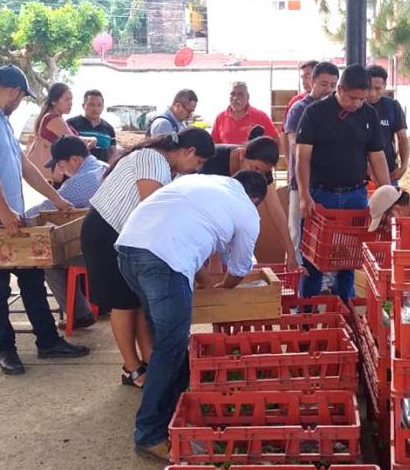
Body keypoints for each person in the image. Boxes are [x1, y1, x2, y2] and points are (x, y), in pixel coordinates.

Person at [116, 171, 268, 462]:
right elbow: (239, 268)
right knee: (170, 347)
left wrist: (207, 283)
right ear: (256, 199)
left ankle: (178, 404)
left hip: (128, 249)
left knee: (165, 337)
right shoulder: (247, 210)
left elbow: (185, 233)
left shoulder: (201, 182)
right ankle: (150, 435)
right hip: (163, 260)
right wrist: (224, 290)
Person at [0, 65, 89, 375]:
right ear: (14, 91)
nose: (18, 104)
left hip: (10, 213)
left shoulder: (0, 120)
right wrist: (2, 210)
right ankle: (6, 350)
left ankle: (48, 341)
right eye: (21, 98)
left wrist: (58, 199)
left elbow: (25, 166)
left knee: (31, 275)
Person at [81, 128, 215, 388]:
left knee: (141, 302)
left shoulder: (169, 169)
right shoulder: (153, 159)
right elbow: (153, 212)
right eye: (198, 162)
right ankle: (131, 368)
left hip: (129, 237)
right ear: (188, 151)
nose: (196, 169)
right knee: (123, 304)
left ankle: (150, 360)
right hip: (106, 232)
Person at [296, 64, 391, 302]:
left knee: (349, 259)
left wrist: (388, 195)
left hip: (355, 195)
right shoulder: (315, 113)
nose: (356, 104)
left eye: (361, 99)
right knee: (312, 259)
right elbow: (302, 156)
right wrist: (304, 195)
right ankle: (306, 311)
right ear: (339, 89)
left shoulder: (369, 114)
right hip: (320, 194)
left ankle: (345, 310)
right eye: (351, 98)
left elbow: (377, 156)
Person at [25, 136, 108, 330]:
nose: (61, 172)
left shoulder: (82, 180)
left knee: (50, 261)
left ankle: (80, 315)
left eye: (61, 166)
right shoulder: (102, 167)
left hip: (103, 250)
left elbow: (47, 208)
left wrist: (19, 218)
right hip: (112, 241)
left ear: (75, 160)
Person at [199, 135, 300, 271]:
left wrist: (291, 253)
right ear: (242, 154)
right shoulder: (214, 161)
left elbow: (276, 210)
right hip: (199, 219)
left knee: (229, 265)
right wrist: (214, 260)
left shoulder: (262, 172)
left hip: (224, 226)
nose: (257, 175)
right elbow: (209, 212)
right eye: (254, 168)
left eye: (262, 173)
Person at [284, 61, 340, 261]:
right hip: (301, 183)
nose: (328, 89)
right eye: (324, 84)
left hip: (328, 184)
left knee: (325, 237)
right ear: (312, 81)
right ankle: (295, 273)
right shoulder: (299, 108)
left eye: (333, 85)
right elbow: (294, 146)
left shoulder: (337, 110)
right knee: (297, 234)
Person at [27, 83, 95, 185]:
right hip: (56, 173)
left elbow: (72, 138)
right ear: (54, 101)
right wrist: (90, 141)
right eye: (67, 100)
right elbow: (75, 143)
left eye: (71, 99)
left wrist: (89, 139)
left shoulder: (54, 118)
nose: (71, 103)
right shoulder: (53, 119)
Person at [366, 65, 410, 185]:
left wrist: (404, 166)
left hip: (388, 172)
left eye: (377, 88)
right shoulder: (356, 106)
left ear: (384, 86)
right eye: (369, 88)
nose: (372, 93)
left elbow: (402, 138)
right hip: (360, 176)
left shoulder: (393, 106)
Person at [211, 81, 279, 145]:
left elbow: (276, 140)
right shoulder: (220, 118)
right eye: (232, 94)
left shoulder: (261, 116)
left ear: (248, 97)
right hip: (226, 154)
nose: (235, 98)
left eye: (240, 94)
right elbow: (213, 145)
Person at [67, 89, 117, 163]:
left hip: (103, 169)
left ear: (103, 107)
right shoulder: (71, 124)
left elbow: (113, 153)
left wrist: (107, 168)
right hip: (76, 169)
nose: (95, 109)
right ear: (83, 106)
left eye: (99, 105)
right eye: (91, 105)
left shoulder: (109, 129)